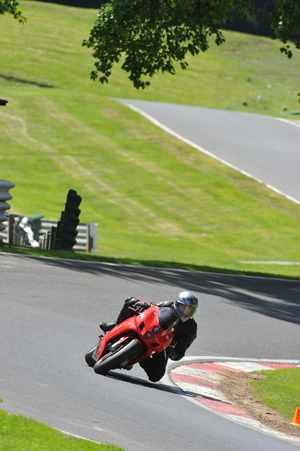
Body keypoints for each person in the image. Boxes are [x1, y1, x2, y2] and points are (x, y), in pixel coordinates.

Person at [100, 291, 198, 382]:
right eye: (183, 307)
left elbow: (179, 354)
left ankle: (138, 356)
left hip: (162, 344)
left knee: (156, 375)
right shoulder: (167, 305)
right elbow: (153, 308)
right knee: (131, 301)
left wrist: (170, 346)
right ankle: (115, 325)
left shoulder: (191, 330)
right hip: (150, 329)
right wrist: (142, 306)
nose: (185, 312)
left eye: (189, 310)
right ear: (176, 304)